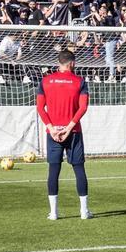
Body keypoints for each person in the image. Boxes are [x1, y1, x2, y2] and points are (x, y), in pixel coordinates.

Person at [37, 50, 92, 220]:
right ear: (72, 64)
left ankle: (53, 213)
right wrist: (68, 127)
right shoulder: (79, 81)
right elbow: (83, 107)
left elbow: (40, 107)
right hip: (73, 131)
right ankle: (84, 212)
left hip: (52, 133)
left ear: (59, 63)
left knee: (54, 170)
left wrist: (51, 127)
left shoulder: (45, 81)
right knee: (79, 168)